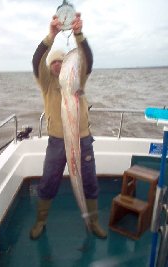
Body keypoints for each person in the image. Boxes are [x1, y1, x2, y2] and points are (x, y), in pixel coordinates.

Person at [30, 12, 107, 239]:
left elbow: (88, 59)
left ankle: (93, 222)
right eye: (53, 61)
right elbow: (36, 60)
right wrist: (51, 35)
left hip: (82, 138)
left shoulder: (77, 80)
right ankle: (41, 221)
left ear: (66, 66)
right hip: (57, 140)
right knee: (48, 181)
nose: (56, 64)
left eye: (60, 61)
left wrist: (78, 34)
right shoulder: (46, 82)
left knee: (90, 181)